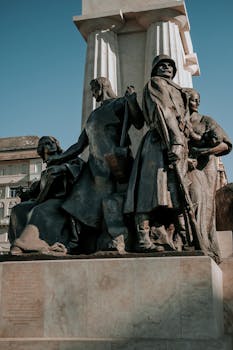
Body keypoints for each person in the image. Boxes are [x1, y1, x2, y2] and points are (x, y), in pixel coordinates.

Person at [48, 77, 144, 253]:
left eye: (93, 90)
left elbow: (139, 122)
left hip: (113, 163)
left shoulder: (121, 103)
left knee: (108, 204)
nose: (92, 94)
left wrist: (131, 102)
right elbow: (79, 145)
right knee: (73, 202)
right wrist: (58, 159)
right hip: (93, 166)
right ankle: (75, 242)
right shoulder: (93, 115)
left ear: (100, 87)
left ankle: (112, 239)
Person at [124, 54, 194, 252]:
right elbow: (164, 112)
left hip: (175, 143)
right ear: (154, 69)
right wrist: (177, 142)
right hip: (159, 143)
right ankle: (143, 239)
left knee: (176, 194)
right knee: (149, 192)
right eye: (161, 65)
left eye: (170, 65)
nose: (166, 68)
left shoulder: (178, 90)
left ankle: (184, 238)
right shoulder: (156, 83)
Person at [9, 136, 84, 255]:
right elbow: (38, 189)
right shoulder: (48, 168)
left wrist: (64, 168)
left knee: (39, 210)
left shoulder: (68, 159)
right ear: (41, 150)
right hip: (45, 199)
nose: (51, 145)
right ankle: (18, 240)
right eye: (46, 144)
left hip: (64, 200)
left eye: (52, 142)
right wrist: (25, 193)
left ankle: (27, 244)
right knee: (18, 209)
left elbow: (81, 168)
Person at [185, 88, 232, 262]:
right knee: (191, 201)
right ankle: (190, 239)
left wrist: (201, 152)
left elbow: (225, 145)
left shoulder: (206, 120)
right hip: (186, 165)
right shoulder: (181, 121)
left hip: (205, 168)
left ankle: (206, 244)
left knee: (205, 205)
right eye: (191, 99)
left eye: (197, 100)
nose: (195, 103)